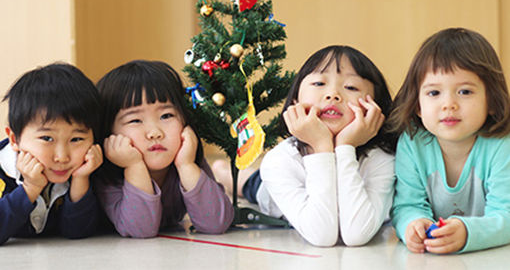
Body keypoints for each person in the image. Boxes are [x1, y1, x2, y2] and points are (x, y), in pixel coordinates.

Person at [214, 45, 397, 247]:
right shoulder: (280, 161)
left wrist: (345, 147)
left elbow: (355, 234)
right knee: (254, 186)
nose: (333, 94)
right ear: (295, 101)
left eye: (351, 87)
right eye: (319, 83)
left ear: (375, 107)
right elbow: (322, 236)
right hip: (279, 190)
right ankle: (230, 175)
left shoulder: (383, 159)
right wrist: (320, 146)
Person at [389, 27, 510, 254]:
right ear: (417, 105)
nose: (449, 105)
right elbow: (407, 206)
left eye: (464, 92)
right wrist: (413, 226)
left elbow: (506, 214)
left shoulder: (501, 145)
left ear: (492, 100)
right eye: (434, 93)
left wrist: (467, 233)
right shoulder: (413, 142)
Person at [94, 60, 234, 238]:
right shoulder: (106, 174)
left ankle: (225, 174)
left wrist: (186, 166)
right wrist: (134, 167)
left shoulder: (185, 158)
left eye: (166, 115)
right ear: (108, 132)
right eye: (135, 120)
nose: (155, 132)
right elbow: (140, 230)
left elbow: (216, 223)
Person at [0, 63, 103, 245]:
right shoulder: (3, 169)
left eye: (77, 139)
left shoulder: (87, 165)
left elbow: (77, 232)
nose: (62, 157)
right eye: (47, 138)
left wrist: (80, 180)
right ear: (14, 139)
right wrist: (30, 189)